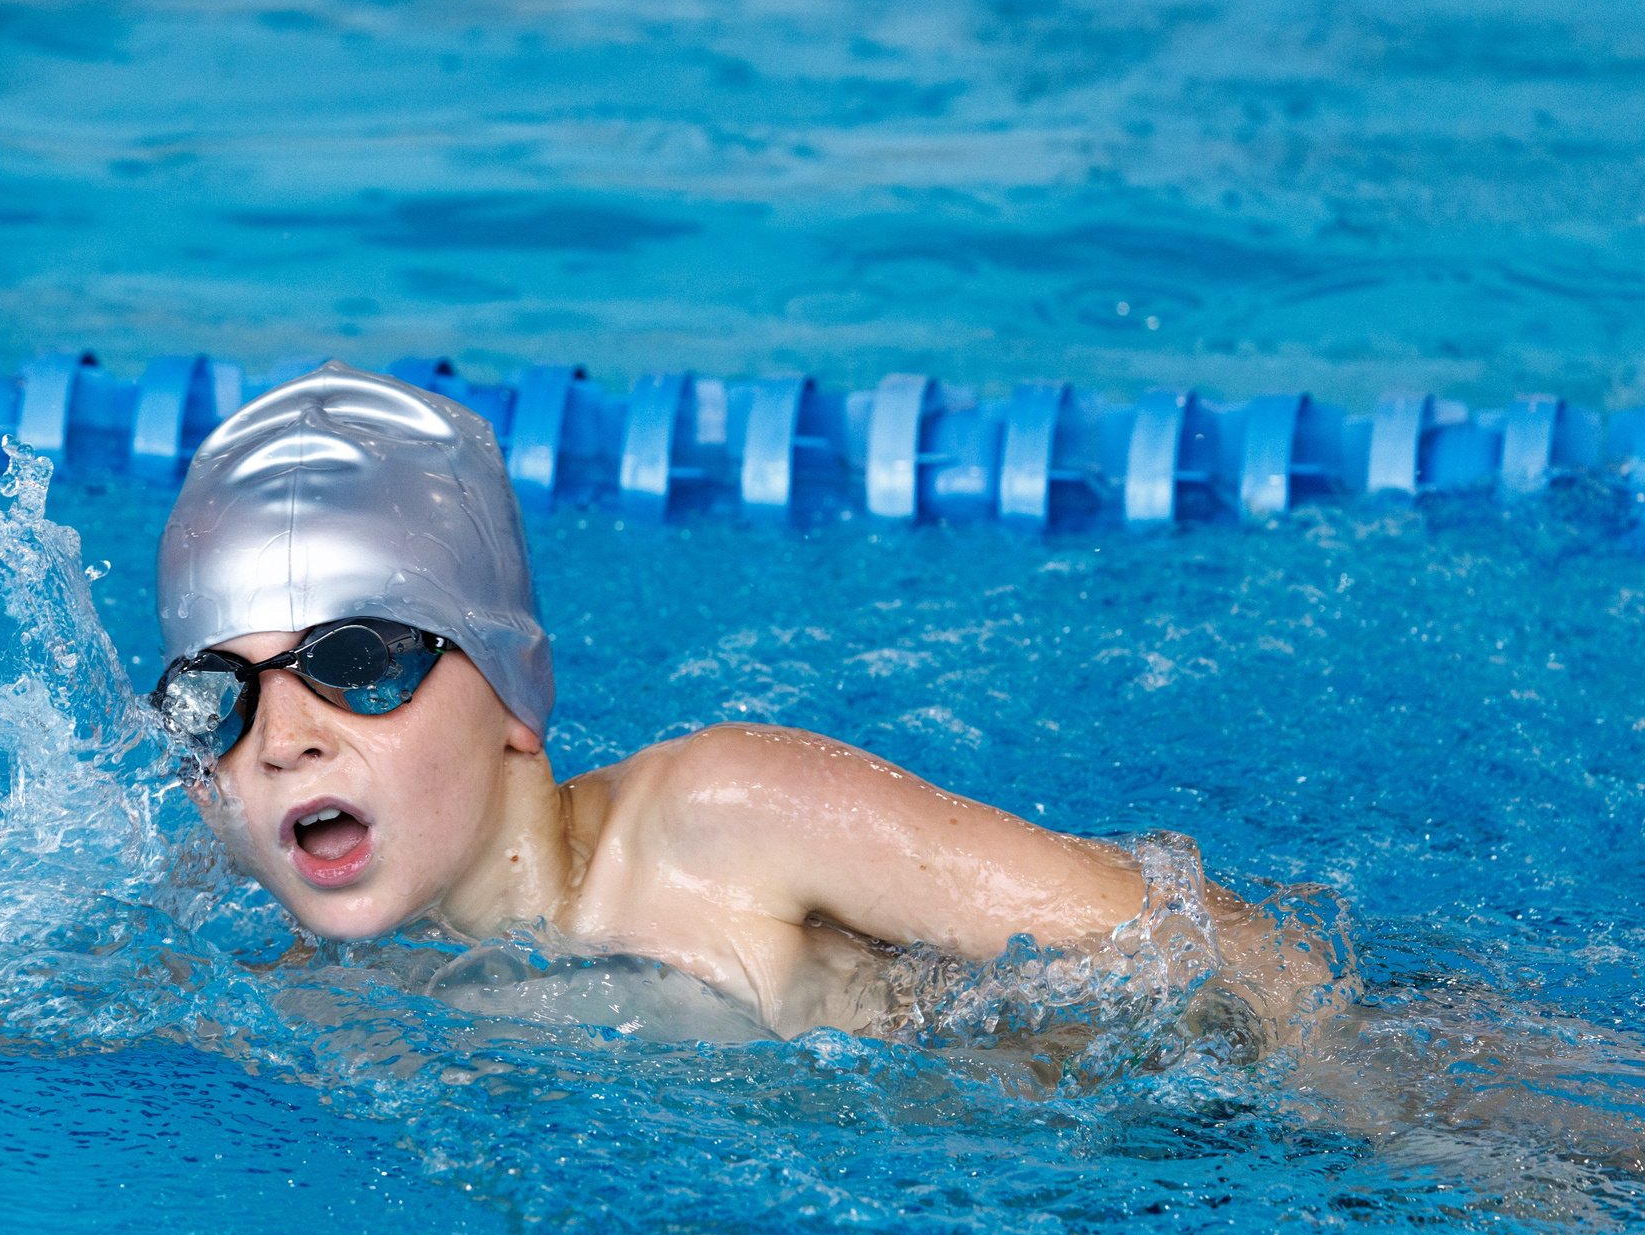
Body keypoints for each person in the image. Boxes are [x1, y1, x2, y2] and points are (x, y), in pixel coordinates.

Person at [152, 361, 1335, 1042]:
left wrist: (1432, 1121)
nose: (288, 737)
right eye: (219, 699)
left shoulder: (726, 819)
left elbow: (1199, 945)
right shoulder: (313, 1001)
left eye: (357, 660)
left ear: (512, 688)